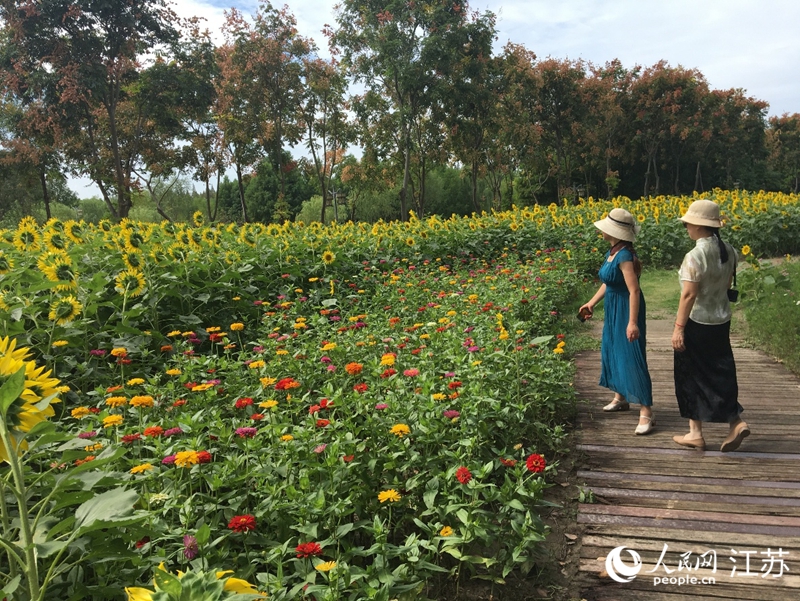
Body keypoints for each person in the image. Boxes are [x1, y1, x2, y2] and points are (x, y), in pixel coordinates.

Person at [672, 199, 748, 452]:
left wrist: (678, 327)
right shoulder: (729, 250)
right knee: (721, 371)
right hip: (721, 320)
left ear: (698, 226)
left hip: (698, 322)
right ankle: (734, 421)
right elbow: (726, 286)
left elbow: (689, 295)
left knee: (689, 375)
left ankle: (695, 433)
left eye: (688, 224)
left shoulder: (695, 255)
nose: (686, 228)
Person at [579, 208, 654, 435]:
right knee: (611, 350)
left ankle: (646, 412)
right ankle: (620, 397)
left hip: (626, 308)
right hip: (612, 307)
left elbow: (634, 291)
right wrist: (591, 303)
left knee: (632, 356)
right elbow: (608, 282)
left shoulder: (623, 256)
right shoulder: (613, 252)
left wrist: (632, 323)